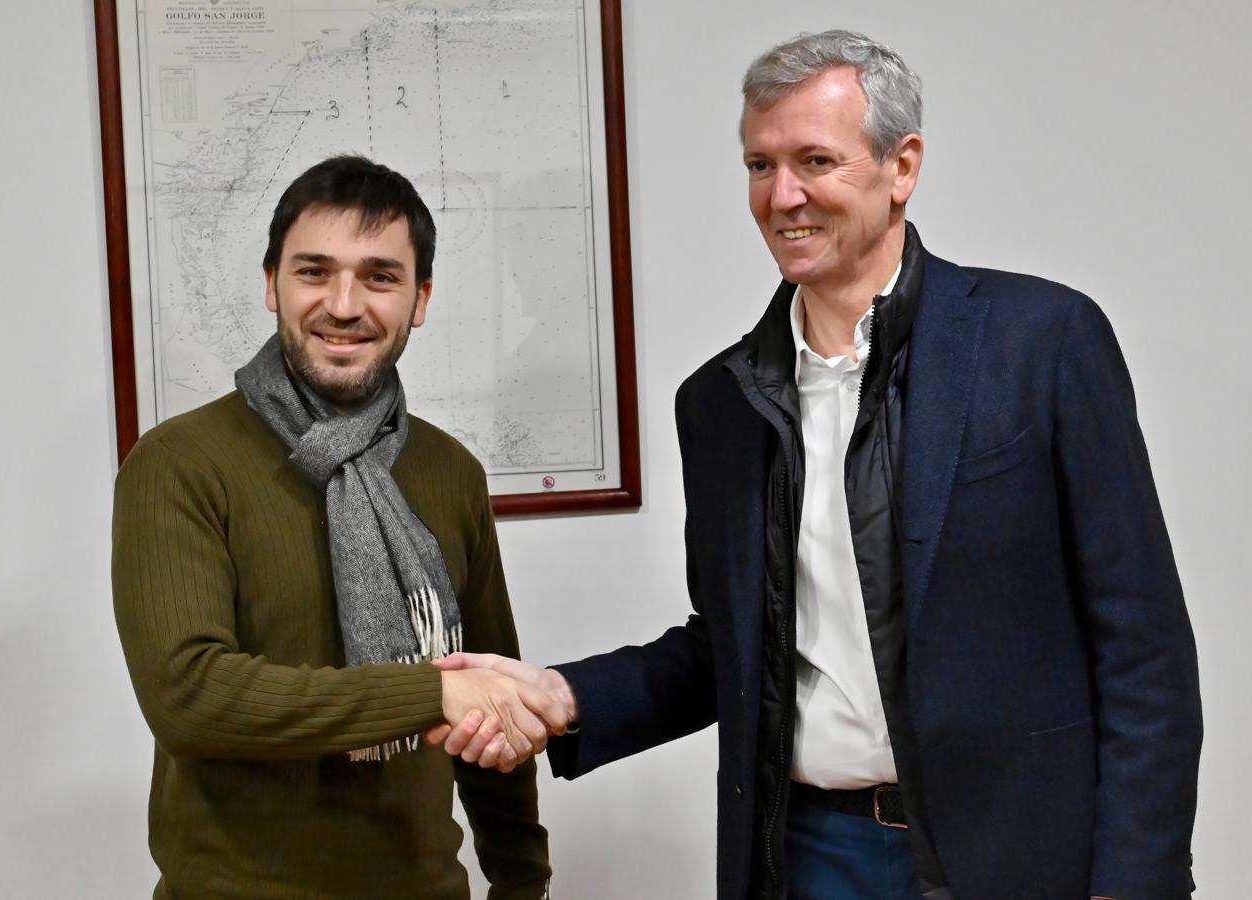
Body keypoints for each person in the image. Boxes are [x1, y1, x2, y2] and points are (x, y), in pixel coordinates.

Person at [429, 30, 1203, 900]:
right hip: (809, 854)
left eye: (815, 161)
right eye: (760, 166)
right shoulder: (718, 403)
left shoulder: (1042, 341)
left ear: (901, 166)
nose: (783, 196)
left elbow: (1142, 647)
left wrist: (1135, 879)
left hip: (1019, 850)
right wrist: (562, 696)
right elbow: (731, 648)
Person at [112, 155, 560, 900]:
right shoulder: (179, 464)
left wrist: (524, 883)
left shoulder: (450, 471)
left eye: (380, 277)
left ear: (419, 299)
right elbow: (188, 697)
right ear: (272, 285)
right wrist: (430, 695)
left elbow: (491, 708)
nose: (344, 305)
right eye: (314, 272)